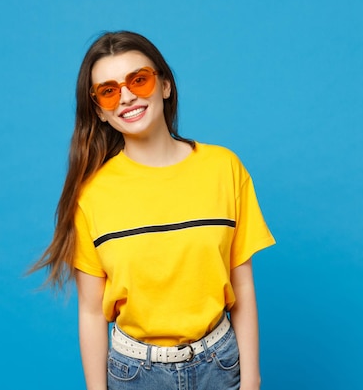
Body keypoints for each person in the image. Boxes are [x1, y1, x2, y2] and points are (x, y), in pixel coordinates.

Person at [30, 30, 275, 390]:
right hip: (134, 374)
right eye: (109, 90)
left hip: (220, 365)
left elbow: (242, 286)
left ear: (165, 86)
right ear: (99, 109)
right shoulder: (92, 194)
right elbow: (90, 311)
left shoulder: (224, 169)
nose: (126, 96)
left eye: (139, 80)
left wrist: (251, 381)